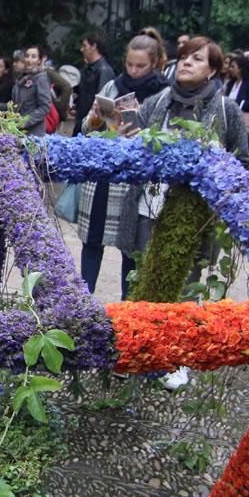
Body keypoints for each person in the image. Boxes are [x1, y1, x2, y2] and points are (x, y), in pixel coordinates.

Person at [127, 36, 248, 390]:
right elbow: (134, 146)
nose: (186, 63)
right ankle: (141, 351)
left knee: (185, 284)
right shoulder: (158, 102)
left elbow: (241, 161)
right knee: (144, 275)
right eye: (183, 58)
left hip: (194, 216)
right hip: (149, 205)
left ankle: (176, 357)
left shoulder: (226, 110)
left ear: (212, 69)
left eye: (197, 59)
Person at [77, 34, 169, 299]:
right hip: (104, 177)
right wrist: (95, 119)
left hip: (136, 183)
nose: (133, 70)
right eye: (130, 64)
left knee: (132, 248)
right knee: (92, 242)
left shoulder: (164, 95)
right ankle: (84, 300)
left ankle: (127, 309)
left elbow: (166, 140)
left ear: (154, 63)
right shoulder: (113, 86)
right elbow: (86, 128)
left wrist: (141, 136)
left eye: (140, 66)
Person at [74, 32, 114, 135]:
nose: (81, 49)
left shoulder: (104, 70)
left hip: (93, 127)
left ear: (94, 47)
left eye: (84, 46)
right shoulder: (88, 69)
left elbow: (103, 102)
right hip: (82, 122)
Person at [10, 45, 54, 137]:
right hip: (17, 131)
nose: (29, 59)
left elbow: (45, 107)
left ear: (39, 60)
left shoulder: (41, 78)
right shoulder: (22, 77)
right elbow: (16, 104)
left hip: (33, 134)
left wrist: (24, 121)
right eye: (27, 56)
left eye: (33, 57)